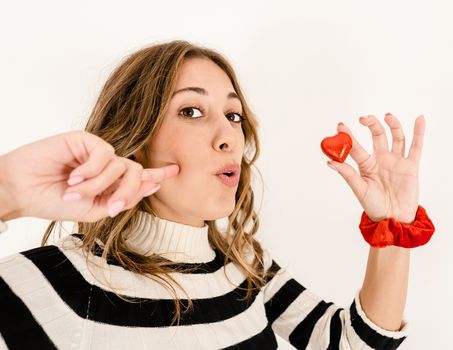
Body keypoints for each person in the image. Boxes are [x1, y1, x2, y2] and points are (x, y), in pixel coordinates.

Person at [0, 40, 428, 349]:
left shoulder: (246, 266)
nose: (229, 137)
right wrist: (9, 190)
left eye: (233, 114)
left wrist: (394, 227)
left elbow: (348, 345)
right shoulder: (53, 283)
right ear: (135, 136)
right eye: (191, 111)